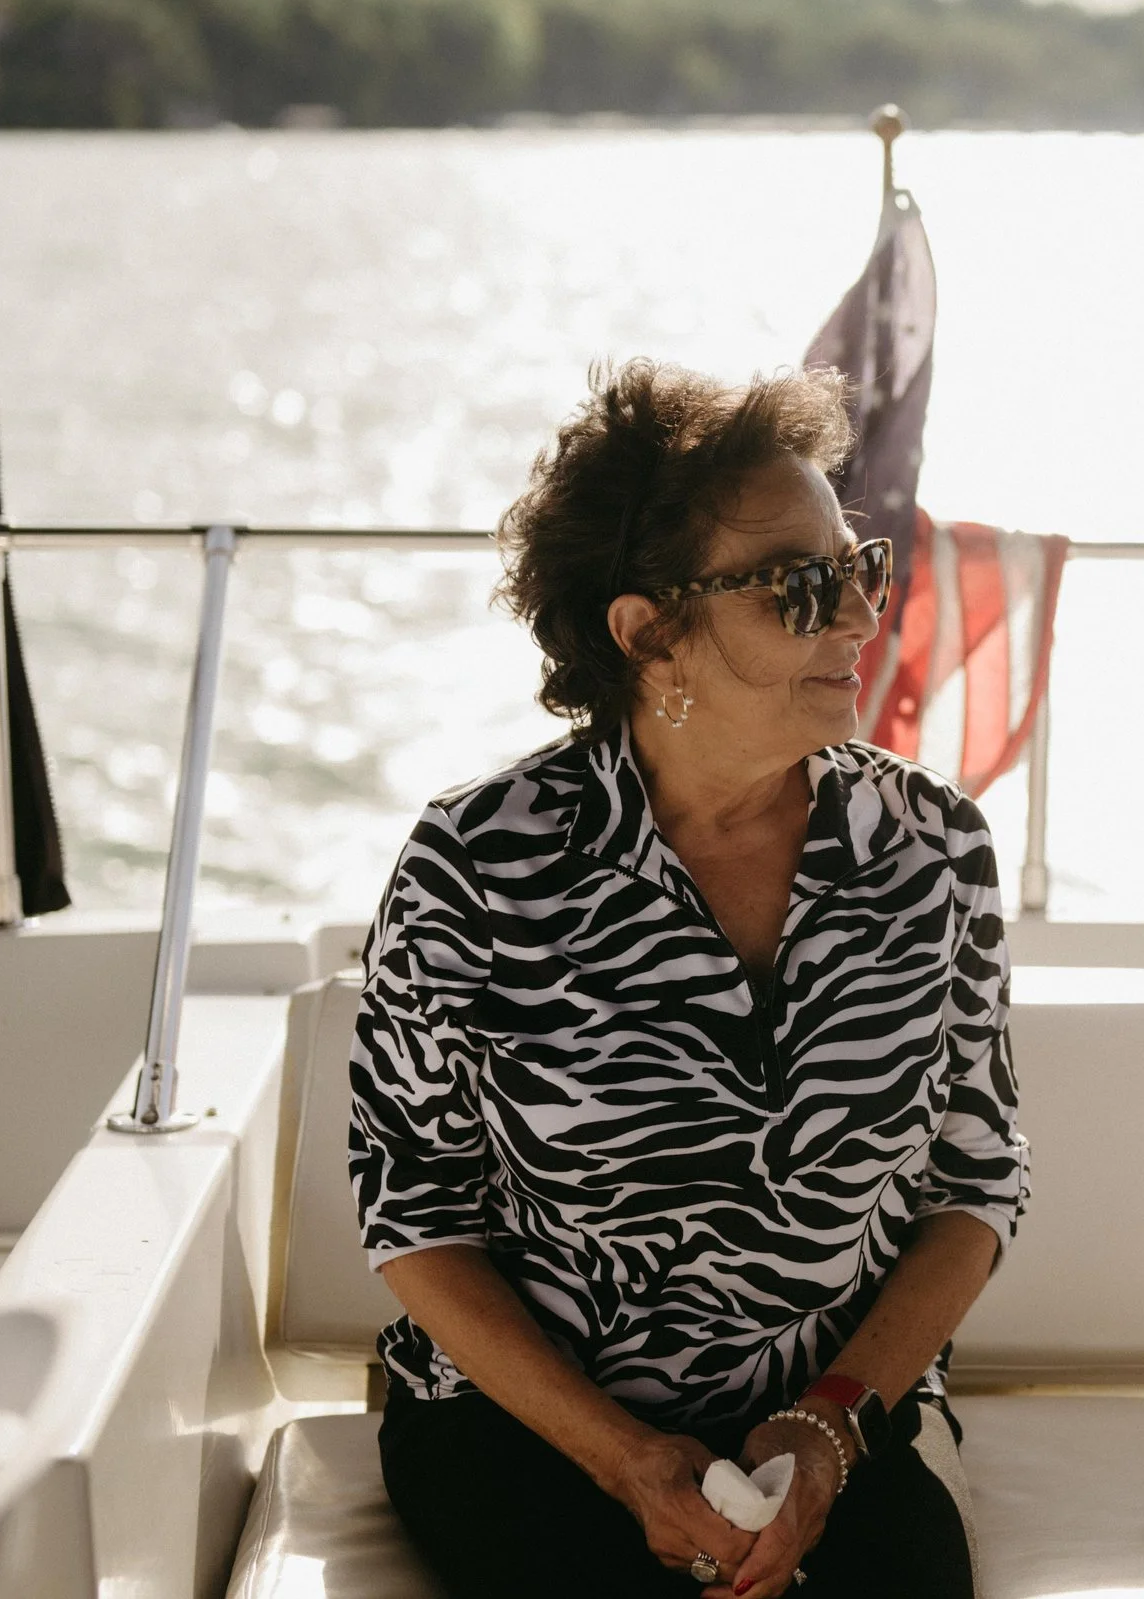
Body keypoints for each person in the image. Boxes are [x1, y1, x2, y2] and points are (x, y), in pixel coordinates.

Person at [350, 361, 1027, 1599]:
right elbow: (417, 1213)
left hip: (834, 1431)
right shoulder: (481, 864)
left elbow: (974, 1183)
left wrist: (827, 1429)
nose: (859, 618)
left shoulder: (935, 849)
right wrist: (627, 1461)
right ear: (649, 629)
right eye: (801, 587)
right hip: (530, 1433)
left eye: (859, 567)